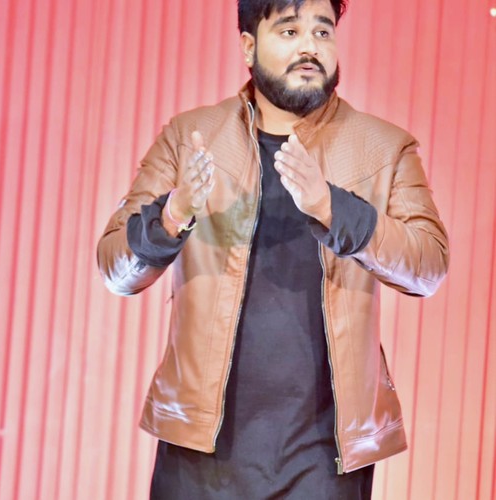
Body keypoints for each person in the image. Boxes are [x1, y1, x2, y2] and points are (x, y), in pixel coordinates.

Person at [97, 0, 449, 498]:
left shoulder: (384, 148)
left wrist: (333, 209)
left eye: (322, 32)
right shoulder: (190, 138)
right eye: (288, 31)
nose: (310, 47)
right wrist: (172, 214)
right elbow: (115, 268)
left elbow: (429, 265)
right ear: (248, 46)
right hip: (199, 453)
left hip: (324, 462)